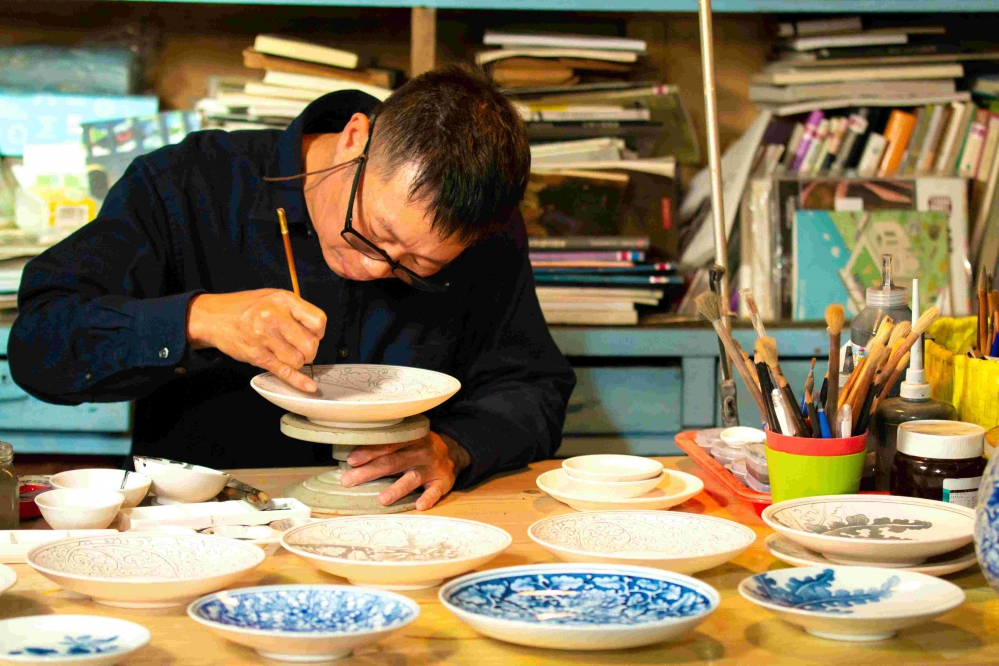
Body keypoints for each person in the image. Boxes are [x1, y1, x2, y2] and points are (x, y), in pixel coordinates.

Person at [10, 66, 576, 511]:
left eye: (417, 265)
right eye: (374, 233)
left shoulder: (483, 232)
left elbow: (532, 385)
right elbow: (39, 347)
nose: (374, 269)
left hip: (400, 522)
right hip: (204, 526)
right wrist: (197, 319)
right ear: (355, 137)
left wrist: (455, 448)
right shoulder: (187, 184)